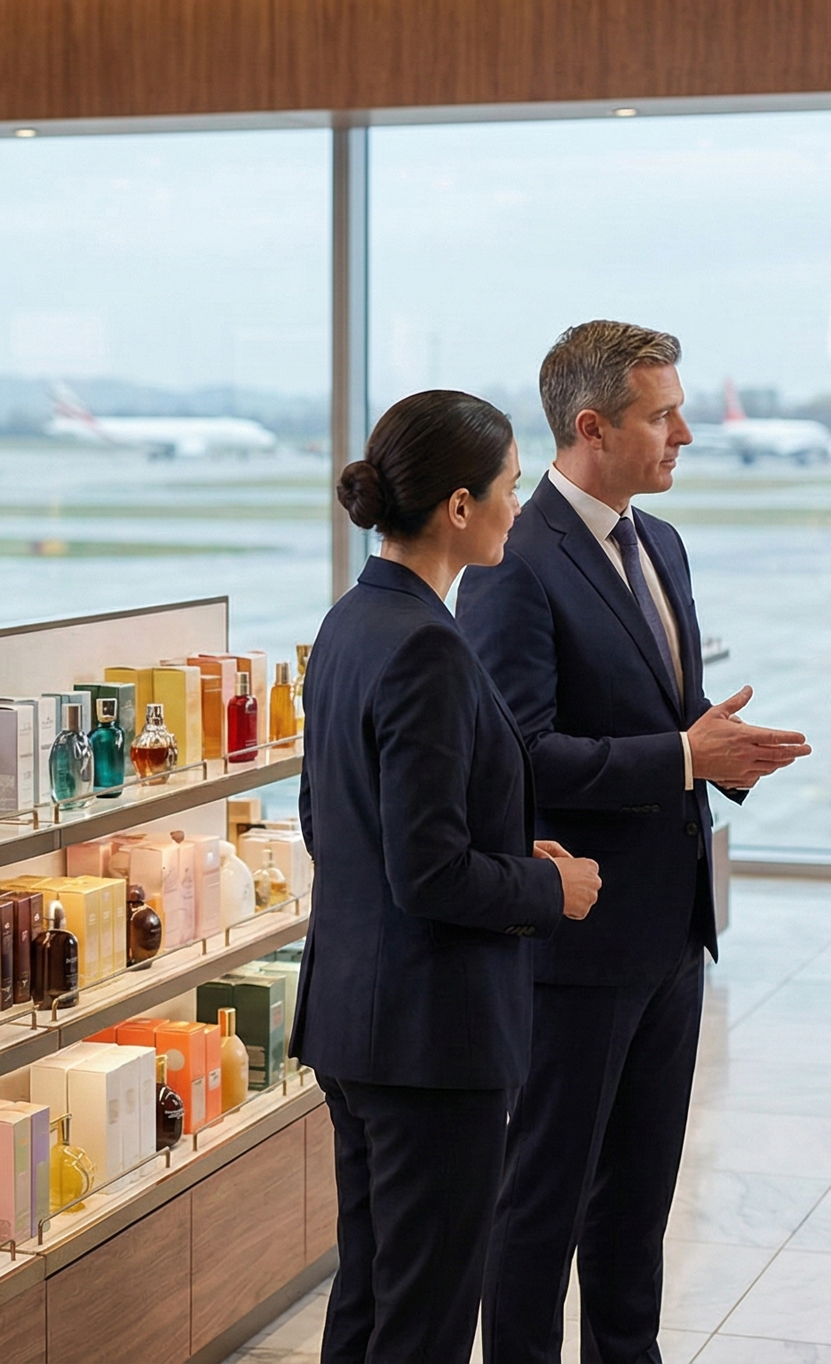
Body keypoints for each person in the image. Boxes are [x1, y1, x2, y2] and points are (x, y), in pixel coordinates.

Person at [456, 320, 809, 1364]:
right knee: (544, 1203)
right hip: (575, 938)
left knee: (639, 1202)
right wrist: (680, 756)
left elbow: (670, 716)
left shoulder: (661, 543)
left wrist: (721, 750)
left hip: (668, 930)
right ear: (591, 426)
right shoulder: (515, 559)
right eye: (662, 415)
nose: (685, 433)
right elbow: (516, 755)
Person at [295, 389, 601, 1363]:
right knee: (424, 1317)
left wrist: (514, 852)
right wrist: (548, 889)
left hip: (354, 1013)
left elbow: (336, 823)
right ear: (458, 506)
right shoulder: (428, 643)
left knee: (373, 1294)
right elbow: (425, 869)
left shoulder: (353, 619)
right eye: (512, 486)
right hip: (430, 1034)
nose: (521, 505)